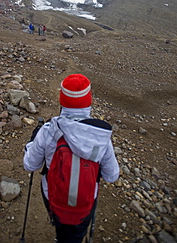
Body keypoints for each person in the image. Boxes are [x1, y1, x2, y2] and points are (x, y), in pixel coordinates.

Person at [23, 74, 120, 243]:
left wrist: (31, 144)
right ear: (88, 100)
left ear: (62, 100)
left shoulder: (49, 130)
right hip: (86, 200)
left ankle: (60, 232)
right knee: (76, 233)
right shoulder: (100, 135)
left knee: (61, 224)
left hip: (53, 196)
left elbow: (30, 165)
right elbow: (112, 176)